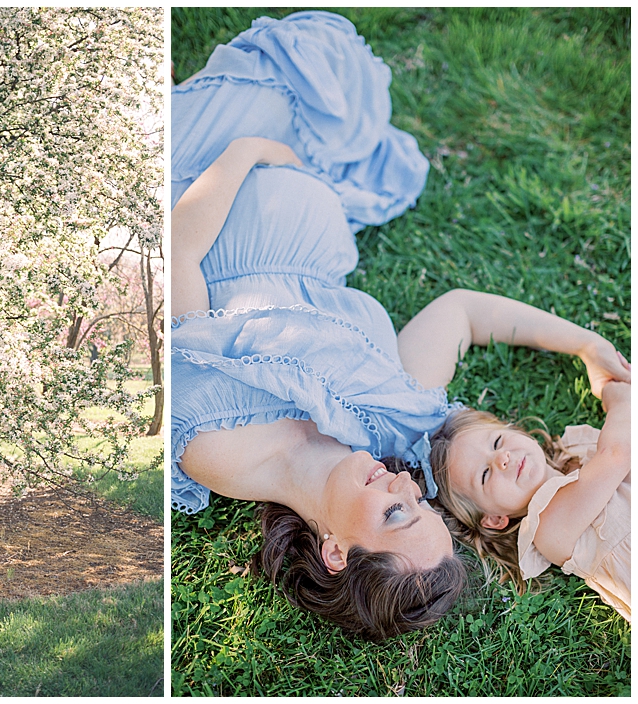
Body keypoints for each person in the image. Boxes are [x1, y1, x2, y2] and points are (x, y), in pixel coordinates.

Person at [170, 12, 629, 640]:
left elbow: (179, 259)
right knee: (329, 69)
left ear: (335, 552)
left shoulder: (217, 449)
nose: (404, 483)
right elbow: (463, 312)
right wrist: (587, 342)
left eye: (396, 511)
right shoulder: (392, 431)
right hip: (292, 178)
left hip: (205, 174)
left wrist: (247, 152)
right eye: (419, 502)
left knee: (305, 61)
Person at [428, 382, 630, 621]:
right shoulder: (549, 525)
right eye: (484, 474)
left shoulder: (580, 451)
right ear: (494, 519)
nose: (502, 458)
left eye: (497, 442)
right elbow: (618, 453)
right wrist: (619, 398)